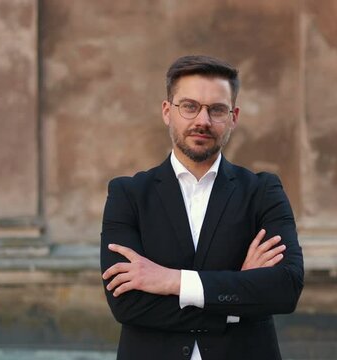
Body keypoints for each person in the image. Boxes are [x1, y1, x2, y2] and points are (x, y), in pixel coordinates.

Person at [100, 55, 304, 360]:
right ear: (167, 112)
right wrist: (237, 301)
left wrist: (170, 281)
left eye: (217, 109)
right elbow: (127, 304)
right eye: (190, 106)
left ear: (233, 117)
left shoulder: (263, 191)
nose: (202, 121)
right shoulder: (127, 194)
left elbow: (285, 288)